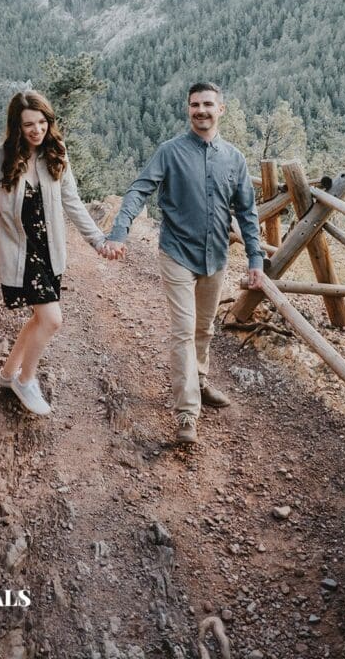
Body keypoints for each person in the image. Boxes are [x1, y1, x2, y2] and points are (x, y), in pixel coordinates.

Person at [104, 82, 264, 444]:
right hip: (176, 253)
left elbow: (247, 212)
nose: (201, 110)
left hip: (216, 256)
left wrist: (255, 258)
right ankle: (187, 413)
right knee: (183, 330)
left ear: (221, 109)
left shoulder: (234, 158)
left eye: (208, 104)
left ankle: (200, 381)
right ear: (188, 109)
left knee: (204, 329)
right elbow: (139, 190)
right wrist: (119, 232)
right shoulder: (170, 152)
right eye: (195, 104)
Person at [0, 91, 108, 416]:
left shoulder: (56, 153)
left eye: (41, 122)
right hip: (21, 255)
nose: (37, 130)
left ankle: (8, 373)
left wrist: (98, 240)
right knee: (52, 320)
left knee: (39, 318)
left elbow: (73, 203)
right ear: (16, 127)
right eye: (28, 125)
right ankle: (26, 380)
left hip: (50, 253)